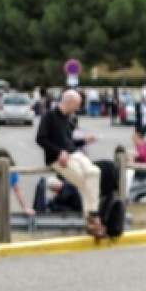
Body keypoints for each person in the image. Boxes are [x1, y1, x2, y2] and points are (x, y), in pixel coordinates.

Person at [36, 89, 105, 238]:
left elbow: (69, 142)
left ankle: (91, 214)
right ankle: (92, 220)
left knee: (94, 172)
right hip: (58, 158)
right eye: (77, 105)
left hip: (75, 154)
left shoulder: (68, 119)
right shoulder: (49, 116)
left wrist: (84, 140)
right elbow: (40, 139)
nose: (78, 109)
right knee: (83, 181)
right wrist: (58, 152)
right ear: (70, 102)